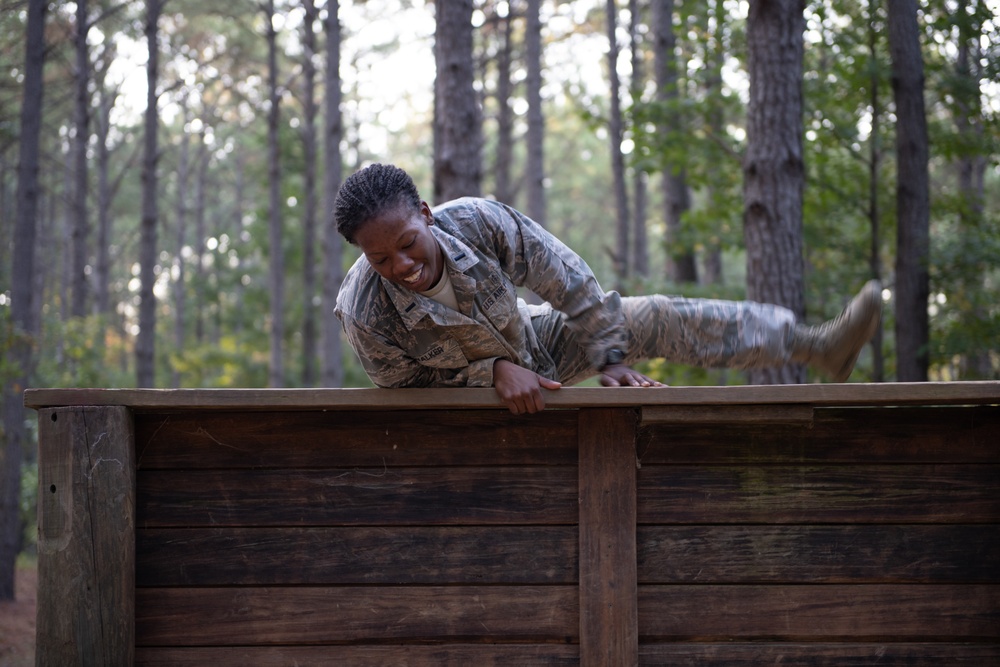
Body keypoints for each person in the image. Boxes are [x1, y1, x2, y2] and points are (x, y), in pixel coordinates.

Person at [334, 163, 882, 415]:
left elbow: (567, 281)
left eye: (408, 242)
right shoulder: (363, 313)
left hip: (535, 343)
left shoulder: (478, 222)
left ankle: (817, 345)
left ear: (426, 215)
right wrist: (491, 375)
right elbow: (404, 392)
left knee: (652, 316)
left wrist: (608, 355)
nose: (401, 264)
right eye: (380, 258)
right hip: (468, 406)